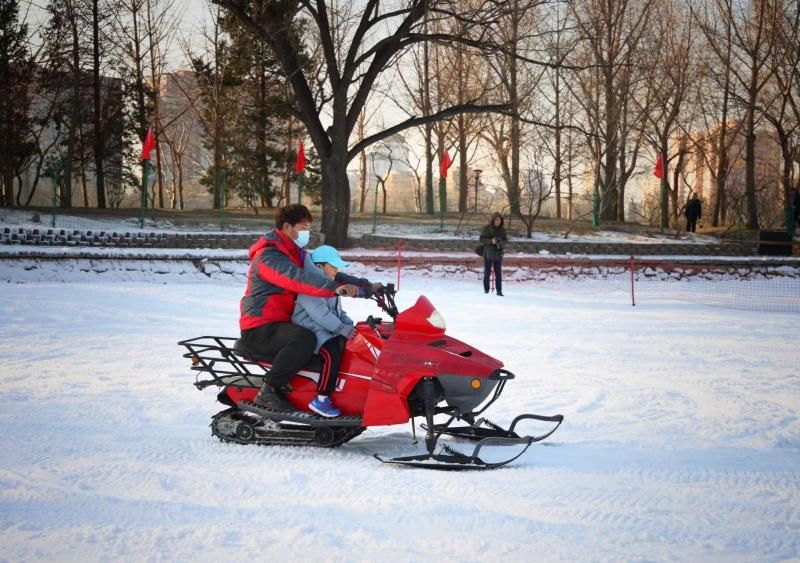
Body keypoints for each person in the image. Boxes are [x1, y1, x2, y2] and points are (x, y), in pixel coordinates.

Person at [239, 204, 363, 412]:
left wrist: (365, 286)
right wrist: (336, 289)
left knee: (321, 341)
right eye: (304, 227)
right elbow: (298, 280)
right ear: (288, 227)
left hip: (282, 323)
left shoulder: (295, 252)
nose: (307, 232)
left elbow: (327, 274)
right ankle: (268, 391)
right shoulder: (270, 257)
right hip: (260, 326)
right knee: (305, 338)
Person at [292, 246, 367, 417]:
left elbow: (338, 312)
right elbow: (320, 315)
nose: (336, 270)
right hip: (310, 331)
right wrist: (341, 328)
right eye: (333, 266)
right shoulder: (310, 285)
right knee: (332, 350)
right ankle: (322, 398)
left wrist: (350, 325)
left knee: (348, 346)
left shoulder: (329, 285)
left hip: (325, 329)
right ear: (319, 266)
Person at [479, 212, 508, 296]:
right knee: (487, 272)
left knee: (498, 272)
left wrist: (500, 241)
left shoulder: (502, 230)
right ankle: (486, 290)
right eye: (496, 220)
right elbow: (481, 239)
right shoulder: (486, 228)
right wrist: (491, 241)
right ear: (493, 220)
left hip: (498, 252)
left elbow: (505, 240)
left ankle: (499, 291)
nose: (498, 221)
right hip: (488, 252)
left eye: (499, 220)